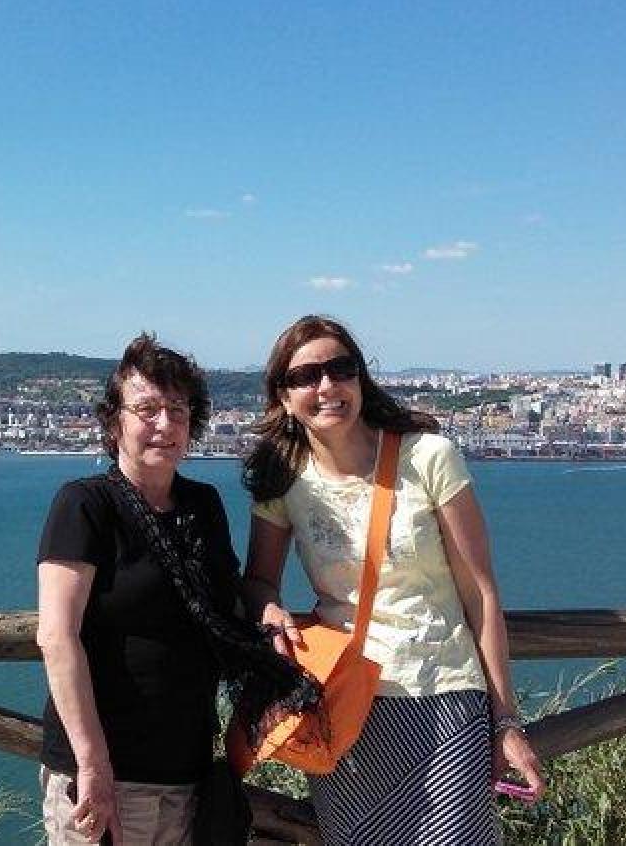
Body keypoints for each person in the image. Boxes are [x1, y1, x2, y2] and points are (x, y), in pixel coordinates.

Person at [241, 315, 545, 846]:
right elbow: (259, 581)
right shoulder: (283, 478)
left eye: (341, 369)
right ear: (283, 397)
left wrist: (505, 719)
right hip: (343, 705)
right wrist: (270, 612)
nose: (327, 386)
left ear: (361, 379)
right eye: (306, 376)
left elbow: (481, 593)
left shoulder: (428, 456)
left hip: (443, 699)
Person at [36, 333, 319, 846]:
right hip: (107, 775)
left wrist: (268, 607)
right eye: (147, 409)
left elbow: (229, 600)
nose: (165, 424)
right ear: (114, 420)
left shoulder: (202, 505)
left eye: (178, 409)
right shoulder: (84, 506)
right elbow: (57, 638)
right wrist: (93, 764)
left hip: (188, 772)